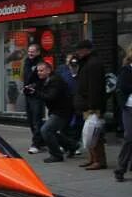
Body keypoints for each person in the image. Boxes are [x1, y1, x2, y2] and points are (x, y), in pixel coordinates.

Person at [36, 62, 79, 163]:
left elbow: (51, 96)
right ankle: (72, 146)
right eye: (38, 71)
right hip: (58, 110)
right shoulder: (45, 80)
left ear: (48, 70)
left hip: (62, 111)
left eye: (41, 70)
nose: (39, 73)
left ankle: (56, 155)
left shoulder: (55, 80)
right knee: (51, 131)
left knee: (46, 130)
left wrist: (36, 93)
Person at [74, 39, 107, 170]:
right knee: (89, 133)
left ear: (86, 50)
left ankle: (99, 160)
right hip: (87, 104)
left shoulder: (93, 64)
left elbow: (95, 87)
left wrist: (93, 107)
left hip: (92, 106)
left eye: (79, 50)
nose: (77, 53)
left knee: (95, 134)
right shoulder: (88, 62)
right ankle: (93, 158)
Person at [23, 43, 46, 154]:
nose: (30, 53)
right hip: (28, 95)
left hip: (37, 95)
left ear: (38, 52)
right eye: (29, 51)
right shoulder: (27, 62)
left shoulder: (41, 63)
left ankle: (36, 144)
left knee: (37, 120)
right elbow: (26, 77)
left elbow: (42, 79)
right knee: (31, 120)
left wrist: (35, 86)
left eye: (32, 51)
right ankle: (41, 141)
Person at [114, 45, 132, 182]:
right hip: (129, 107)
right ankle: (120, 168)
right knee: (129, 137)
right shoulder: (126, 70)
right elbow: (122, 88)